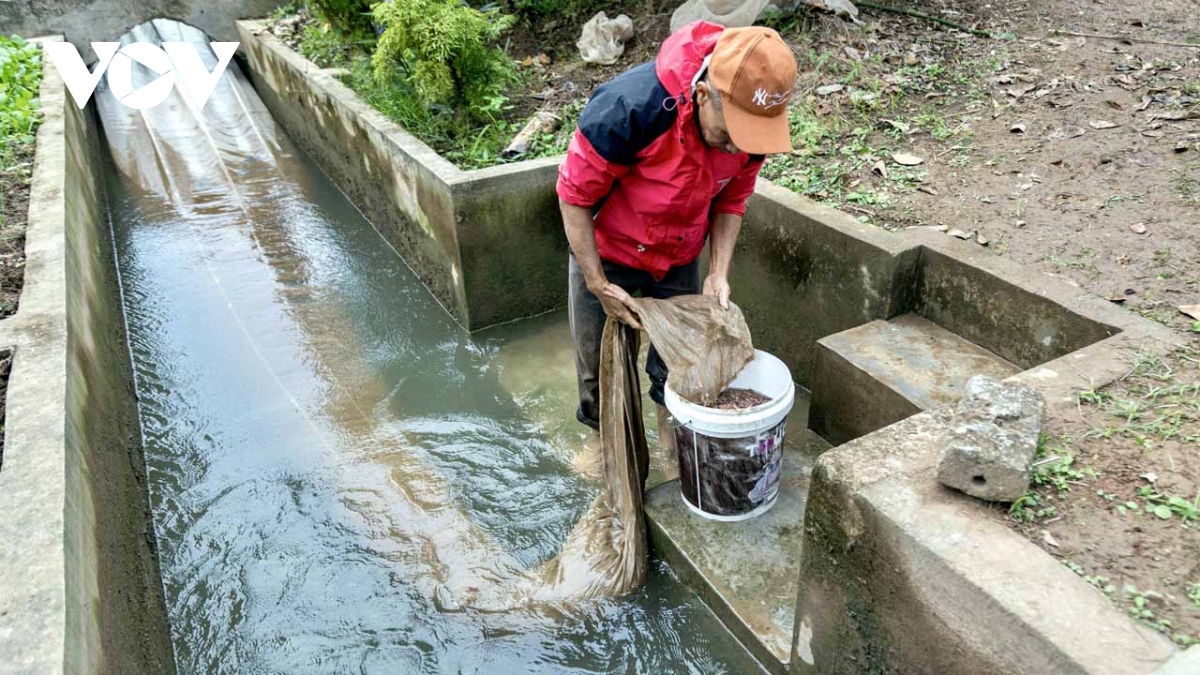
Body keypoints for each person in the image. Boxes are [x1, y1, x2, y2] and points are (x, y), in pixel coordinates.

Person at [557, 20, 798, 450]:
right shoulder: (630, 108)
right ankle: (600, 442)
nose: (736, 150)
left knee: (681, 360)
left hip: (678, 252)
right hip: (608, 252)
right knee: (598, 363)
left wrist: (718, 273)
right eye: (729, 136)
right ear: (703, 95)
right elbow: (573, 196)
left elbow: (731, 200)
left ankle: (671, 438)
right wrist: (596, 282)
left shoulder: (750, 132)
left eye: (748, 140)